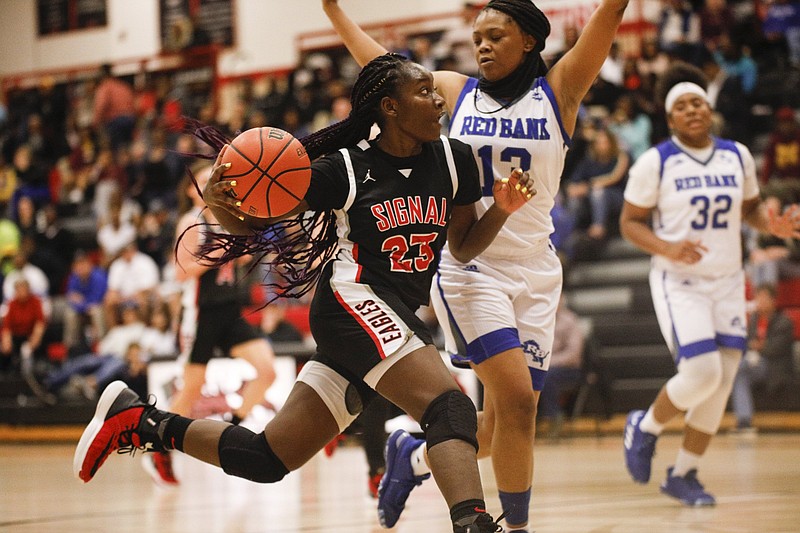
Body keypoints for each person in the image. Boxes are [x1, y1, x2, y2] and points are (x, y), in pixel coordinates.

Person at [74, 53, 533, 533]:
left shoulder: (456, 160)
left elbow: (461, 246)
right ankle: (472, 524)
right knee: (451, 405)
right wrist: (222, 199)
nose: (439, 99)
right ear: (390, 108)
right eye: (424, 91)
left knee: (268, 458)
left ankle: (142, 422)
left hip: (388, 316)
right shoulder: (346, 170)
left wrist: (500, 210)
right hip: (354, 302)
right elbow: (250, 219)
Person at [322, 1, 628, 530]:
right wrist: (334, 11)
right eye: (477, 37)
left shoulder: (559, 91)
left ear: (529, 41)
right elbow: (385, 75)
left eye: (496, 36)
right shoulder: (454, 91)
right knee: (516, 402)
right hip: (469, 265)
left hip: (537, 268)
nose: (482, 46)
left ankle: (412, 456)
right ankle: (517, 527)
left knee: (508, 422)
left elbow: (608, 17)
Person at [620, 61, 800, 507]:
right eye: (681, 106)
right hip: (679, 281)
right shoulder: (654, 162)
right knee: (701, 373)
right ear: (671, 118)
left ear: (710, 107)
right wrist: (666, 247)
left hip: (726, 280)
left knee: (719, 386)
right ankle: (644, 426)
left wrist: (770, 225)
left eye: (697, 102)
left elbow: (751, 209)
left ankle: (683, 474)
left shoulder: (737, 155)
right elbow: (629, 224)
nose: (692, 110)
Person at [142, 165, 278, 487]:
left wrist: (247, 248)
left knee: (267, 370)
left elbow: (242, 258)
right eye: (204, 181)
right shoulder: (192, 222)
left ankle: (234, 429)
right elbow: (180, 272)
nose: (212, 184)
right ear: (192, 190)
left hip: (229, 309)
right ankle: (159, 449)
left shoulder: (230, 219)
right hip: (201, 311)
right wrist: (218, 254)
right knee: (191, 388)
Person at [730, 284, 796, 433]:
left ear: (773, 300)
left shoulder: (784, 321)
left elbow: (776, 349)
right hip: (752, 365)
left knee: (738, 367)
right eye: (758, 298)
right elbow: (747, 343)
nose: (760, 301)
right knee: (740, 374)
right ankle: (744, 422)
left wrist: (759, 347)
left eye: (764, 298)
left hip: (774, 367)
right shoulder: (753, 320)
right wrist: (754, 346)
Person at [536, 294, 585, 435]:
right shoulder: (538, 321)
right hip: (545, 365)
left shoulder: (570, 321)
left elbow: (574, 354)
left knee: (546, 377)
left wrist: (547, 362)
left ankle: (554, 416)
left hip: (568, 369)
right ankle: (531, 417)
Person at [62, 251, 108, 354]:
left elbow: (97, 299)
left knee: (96, 311)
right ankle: (71, 347)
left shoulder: (98, 276)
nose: (80, 268)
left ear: (89, 264)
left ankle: (101, 345)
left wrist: (82, 302)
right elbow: (71, 298)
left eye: (83, 264)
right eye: (78, 265)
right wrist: (83, 305)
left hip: (99, 307)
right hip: (82, 309)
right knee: (70, 313)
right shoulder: (74, 278)